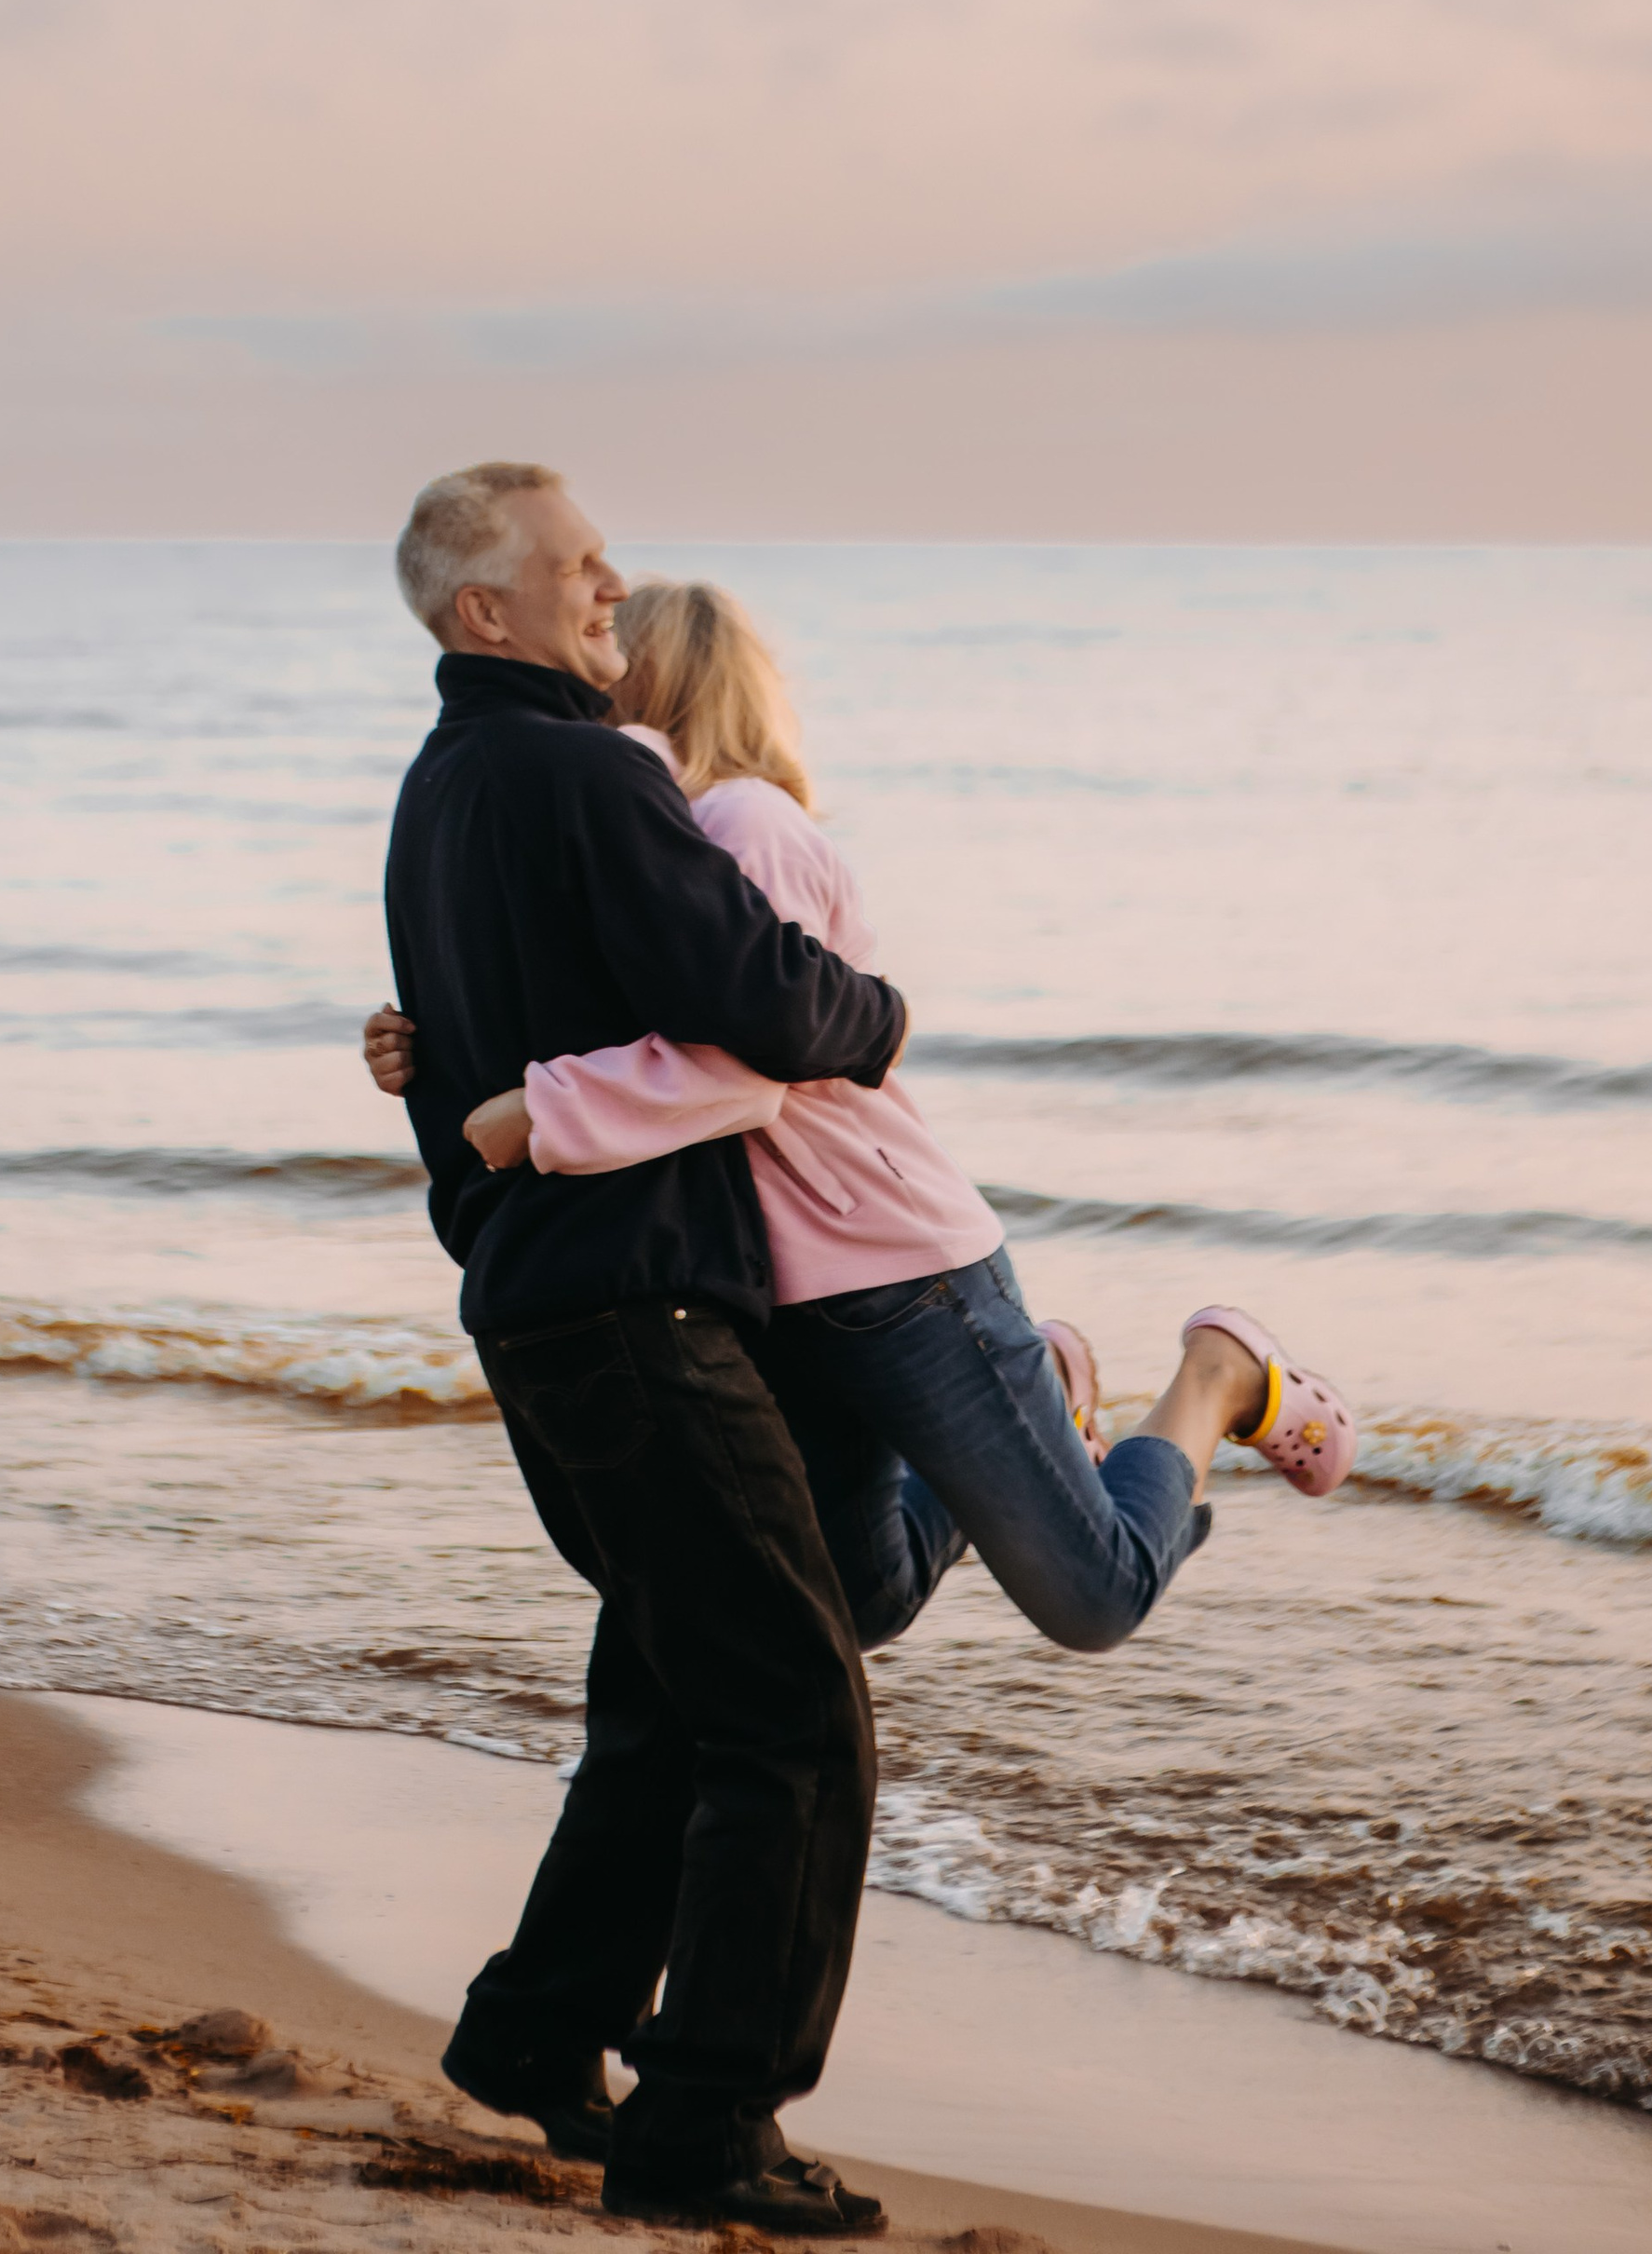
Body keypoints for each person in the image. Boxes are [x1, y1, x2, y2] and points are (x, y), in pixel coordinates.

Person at [368, 575, 1354, 1678]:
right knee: (856, 1600)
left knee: (1095, 1597)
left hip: (896, 1275)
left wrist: (544, 1110)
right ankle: (1061, 1389)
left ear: (649, 681)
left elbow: (749, 1068)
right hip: (768, 1295)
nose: (585, 682)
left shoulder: (745, 824)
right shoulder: (631, 847)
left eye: (609, 663)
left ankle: (1218, 1374)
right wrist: (431, 1044)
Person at [380, 465, 909, 2238]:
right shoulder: (587, 772)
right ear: (488, 613)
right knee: (796, 1715)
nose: (613, 581)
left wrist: (492, 1215)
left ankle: (539, 2032)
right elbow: (761, 1000)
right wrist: (883, 1016)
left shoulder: (438, 792)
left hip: (542, 1308)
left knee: (677, 1698)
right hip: (642, 1314)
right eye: (576, 565)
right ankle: (708, 2131)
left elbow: (460, 1094)